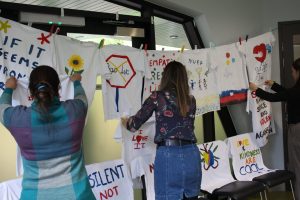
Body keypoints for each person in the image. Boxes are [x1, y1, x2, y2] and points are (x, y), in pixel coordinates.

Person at [0, 66, 96, 200]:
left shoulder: (18, 119)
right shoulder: (76, 110)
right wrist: (76, 82)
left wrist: (9, 87)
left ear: (31, 92)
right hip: (78, 195)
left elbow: (2, 107)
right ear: (58, 88)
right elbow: (82, 98)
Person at [121, 61, 201, 200]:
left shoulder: (157, 97)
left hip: (169, 156)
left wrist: (124, 120)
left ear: (165, 77)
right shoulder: (191, 100)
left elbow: (133, 125)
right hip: (192, 155)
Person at [249, 58, 300, 200]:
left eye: (293, 71)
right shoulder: (295, 91)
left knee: (297, 166)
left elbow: (272, 98)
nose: (292, 74)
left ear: (298, 72)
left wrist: (256, 90)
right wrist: (274, 85)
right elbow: (288, 94)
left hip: (297, 131)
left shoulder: (295, 91)